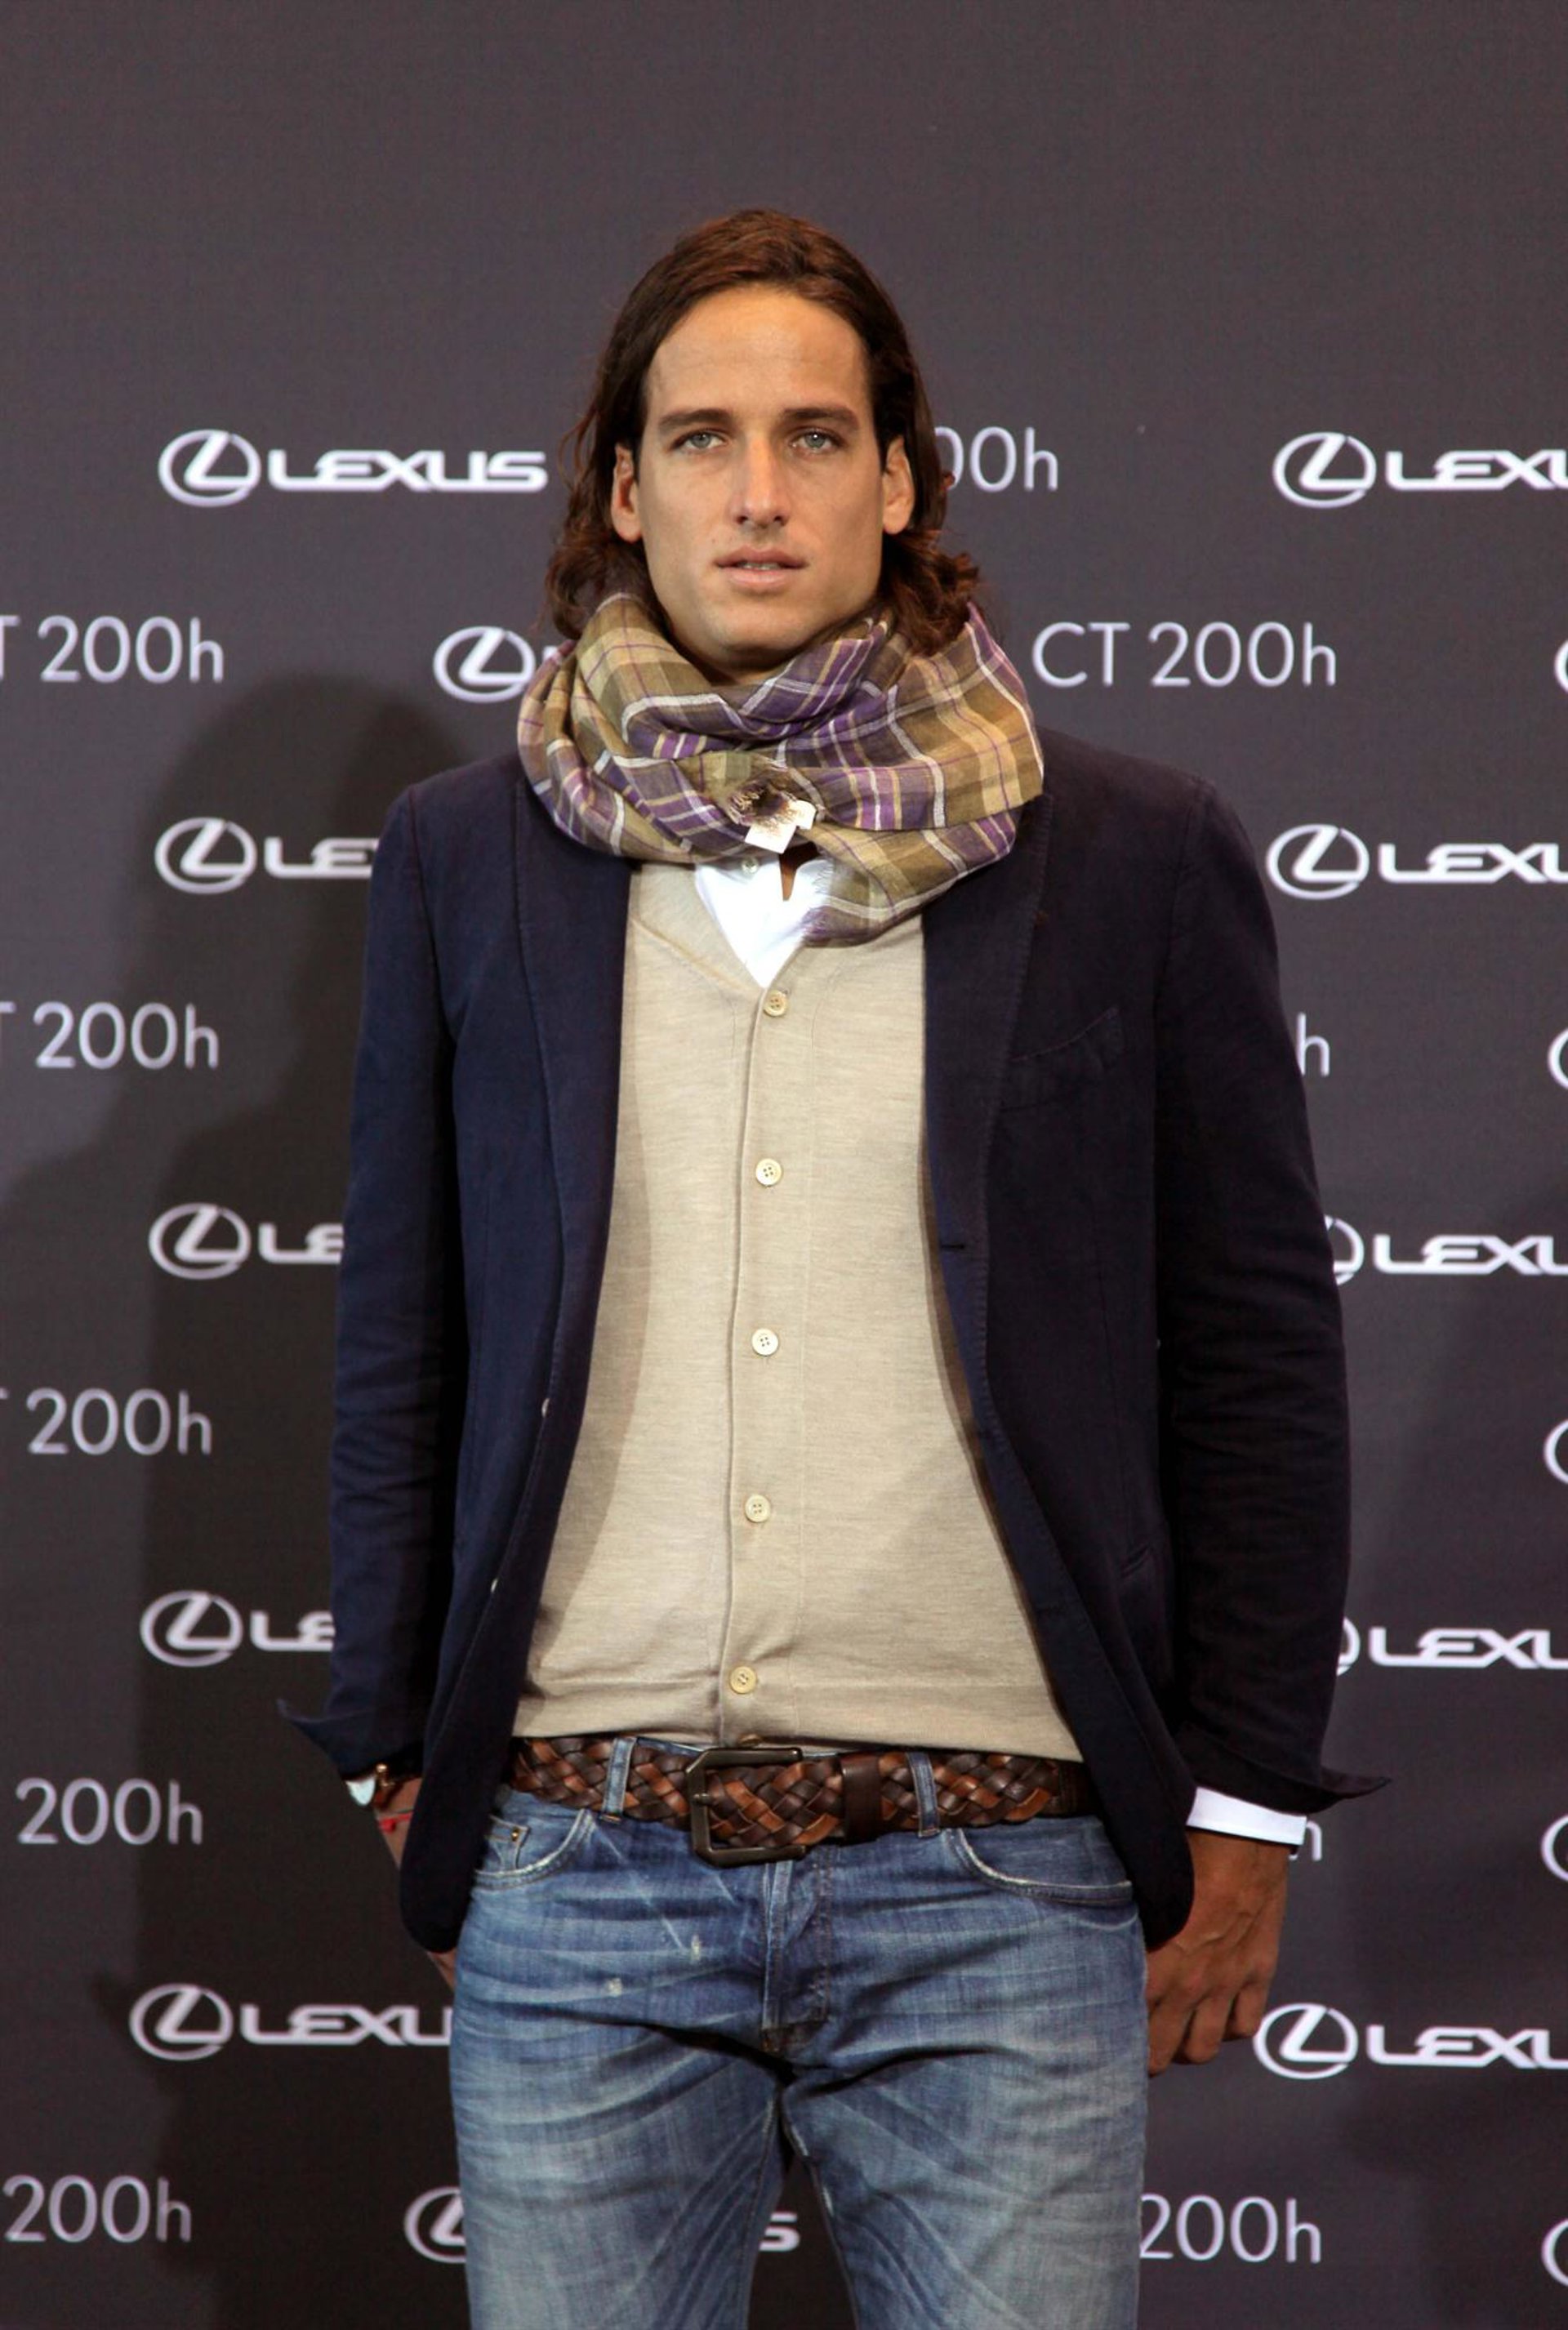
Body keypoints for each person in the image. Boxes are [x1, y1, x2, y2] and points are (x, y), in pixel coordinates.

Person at [287, 207, 1373, 2330]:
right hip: (577, 1867)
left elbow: (1252, 1359)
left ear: (901, 481)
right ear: (623, 489)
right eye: (701, 439)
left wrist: (1246, 1807)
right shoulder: (468, 857)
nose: (758, 491)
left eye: (814, 436)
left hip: (1006, 1878)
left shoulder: (1131, 854)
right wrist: (397, 1752)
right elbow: (403, 1328)